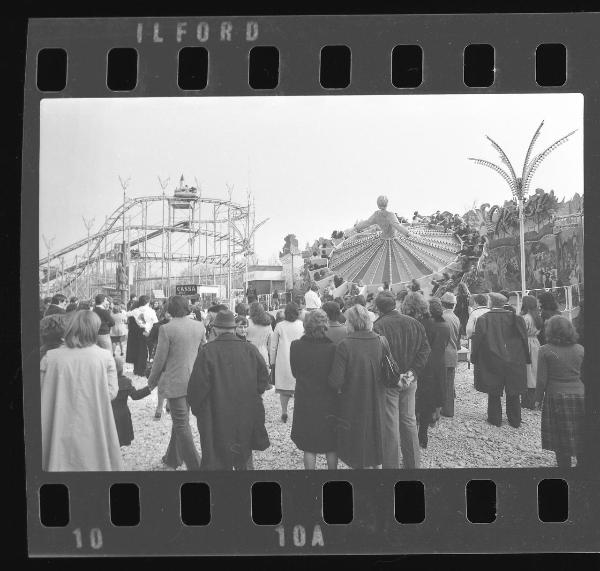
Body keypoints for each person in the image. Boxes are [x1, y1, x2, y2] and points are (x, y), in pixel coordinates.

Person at [187, 310, 271, 470]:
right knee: (244, 453)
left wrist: (199, 410)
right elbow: (263, 378)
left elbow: (196, 388)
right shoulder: (250, 349)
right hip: (245, 410)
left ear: (216, 329)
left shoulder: (207, 351)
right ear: (233, 328)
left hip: (216, 412)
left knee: (218, 457)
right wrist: (254, 394)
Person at [40, 310, 122, 471]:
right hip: (93, 419)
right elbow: (111, 393)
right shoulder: (105, 357)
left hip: (57, 419)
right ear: (95, 329)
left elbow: (41, 391)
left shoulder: (50, 357)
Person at [147, 296, 207, 470]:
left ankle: (196, 466)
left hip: (176, 382)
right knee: (180, 421)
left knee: (181, 424)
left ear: (170, 309)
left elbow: (159, 360)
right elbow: (203, 351)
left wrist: (152, 381)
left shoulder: (166, 329)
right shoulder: (199, 326)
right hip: (195, 381)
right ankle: (173, 457)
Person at [373, 291, 431, 469]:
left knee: (390, 425)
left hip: (390, 383)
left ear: (378, 308)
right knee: (409, 421)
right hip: (410, 380)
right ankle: (413, 466)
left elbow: (377, 358)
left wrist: (395, 377)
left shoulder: (377, 326)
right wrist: (412, 373)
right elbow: (425, 350)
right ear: (395, 304)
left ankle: (391, 470)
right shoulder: (414, 323)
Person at [328, 304, 389, 469]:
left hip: (353, 400)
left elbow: (336, 381)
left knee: (357, 447)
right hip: (377, 398)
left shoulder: (345, 345)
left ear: (351, 322)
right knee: (376, 438)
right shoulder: (380, 340)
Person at [470, 292, 530, 428]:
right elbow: (524, 340)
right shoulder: (517, 318)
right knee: (514, 391)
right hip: (514, 358)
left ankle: (495, 418)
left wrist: (474, 358)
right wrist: (526, 358)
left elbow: (477, 341)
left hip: (492, 358)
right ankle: (515, 419)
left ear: (491, 302)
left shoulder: (484, 319)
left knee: (494, 390)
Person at [290, 309, 339, 469]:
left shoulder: (296, 346)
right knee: (331, 444)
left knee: (309, 445)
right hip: (329, 399)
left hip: (306, 398)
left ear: (306, 325)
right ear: (325, 325)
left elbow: (295, 372)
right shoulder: (333, 348)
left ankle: (310, 481)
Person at [535, 316, 585, 468]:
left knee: (560, 436)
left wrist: (537, 399)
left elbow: (542, 379)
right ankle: (583, 465)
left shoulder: (544, 350)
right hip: (580, 395)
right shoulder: (580, 349)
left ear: (549, 330)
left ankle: (564, 468)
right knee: (581, 431)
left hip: (556, 396)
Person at [416, 298, 451, 448]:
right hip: (439, 364)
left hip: (425, 365)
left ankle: (420, 425)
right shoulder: (445, 326)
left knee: (422, 397)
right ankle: (428, 424)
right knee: (434, 395)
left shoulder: (425, 325)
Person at [269, 302, 305, 422]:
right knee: (298, 387)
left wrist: (272, 361)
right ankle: (297, 413)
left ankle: (284, 411)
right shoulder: (302, 325)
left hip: (283, 359)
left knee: (284, 389)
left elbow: (273, 346)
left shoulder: (280, 326)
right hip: (299, 358)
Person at [111, 357, 152, 447]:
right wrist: (149, 388)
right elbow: (136, 395)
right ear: (121, 368)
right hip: (123, 414)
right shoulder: (126, 382)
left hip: (108, 413)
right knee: (120, 438)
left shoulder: (104, 381)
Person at [520, 295, 543, 410]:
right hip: (536, 343)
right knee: (535, 370)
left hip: (527, 343)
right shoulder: (537, 317)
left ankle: (527, 400)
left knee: (528, 370)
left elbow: (521, 333)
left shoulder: (525, 318)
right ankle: (536, 398)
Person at [440, 291, 460, 418]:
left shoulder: (442, 318)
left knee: (443, 383)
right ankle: (448, 409)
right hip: (453, 354)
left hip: (443, 355)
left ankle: (445, 409)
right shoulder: (455, 318)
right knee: (449, 382)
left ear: (442, 304)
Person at [247, 301, 273, 371]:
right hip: (263, 354)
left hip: (249, 354)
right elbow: (271, 343)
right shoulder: (268, 324)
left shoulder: (247, 323)